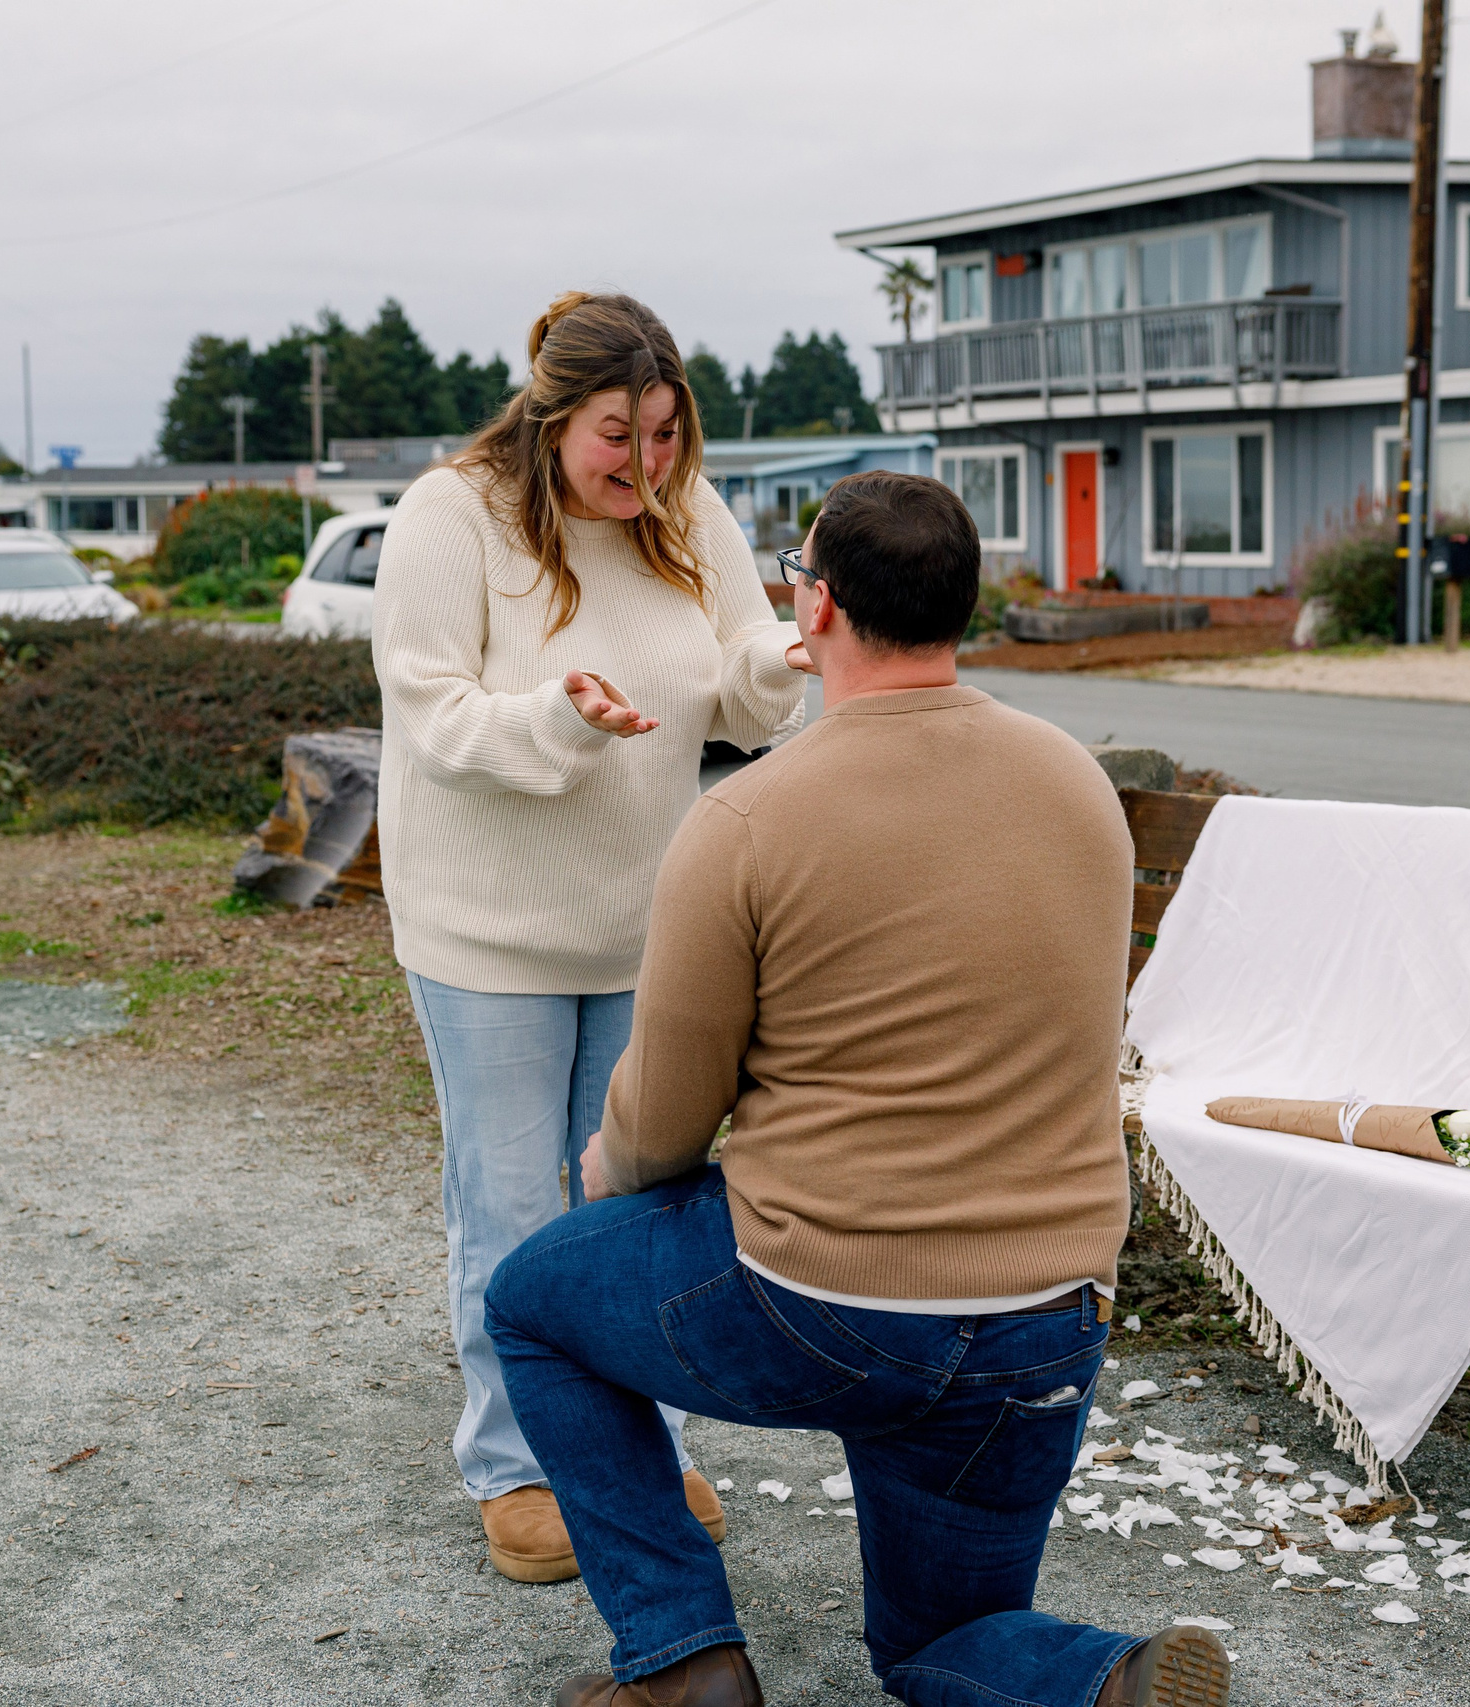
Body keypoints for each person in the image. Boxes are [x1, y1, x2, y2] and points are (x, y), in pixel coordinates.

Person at [487, 470, 1229, 1707]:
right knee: (939, 1640)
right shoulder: (1074, 786)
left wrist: (611, 1166)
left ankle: (682, 1665)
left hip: (824, 1300)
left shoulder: (749, 820)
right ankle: (1104, 1684)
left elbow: (665, 1126)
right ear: (962, 606)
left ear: (813, 607)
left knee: (533, 1303)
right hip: (1048, 1314)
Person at [371, 290, 810, 1584]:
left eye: (669, 433)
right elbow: (433, 711)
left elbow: (736, 680)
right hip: (485, 935)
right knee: (508, 1207)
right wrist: (557, 718)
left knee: (633, 1203)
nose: (648, 463)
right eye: (619, 435)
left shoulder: (684, 513)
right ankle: (517, 1467)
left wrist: (787, 652)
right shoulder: (455, 515)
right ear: (553, 415)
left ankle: (639, 1444)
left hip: (643, 928)